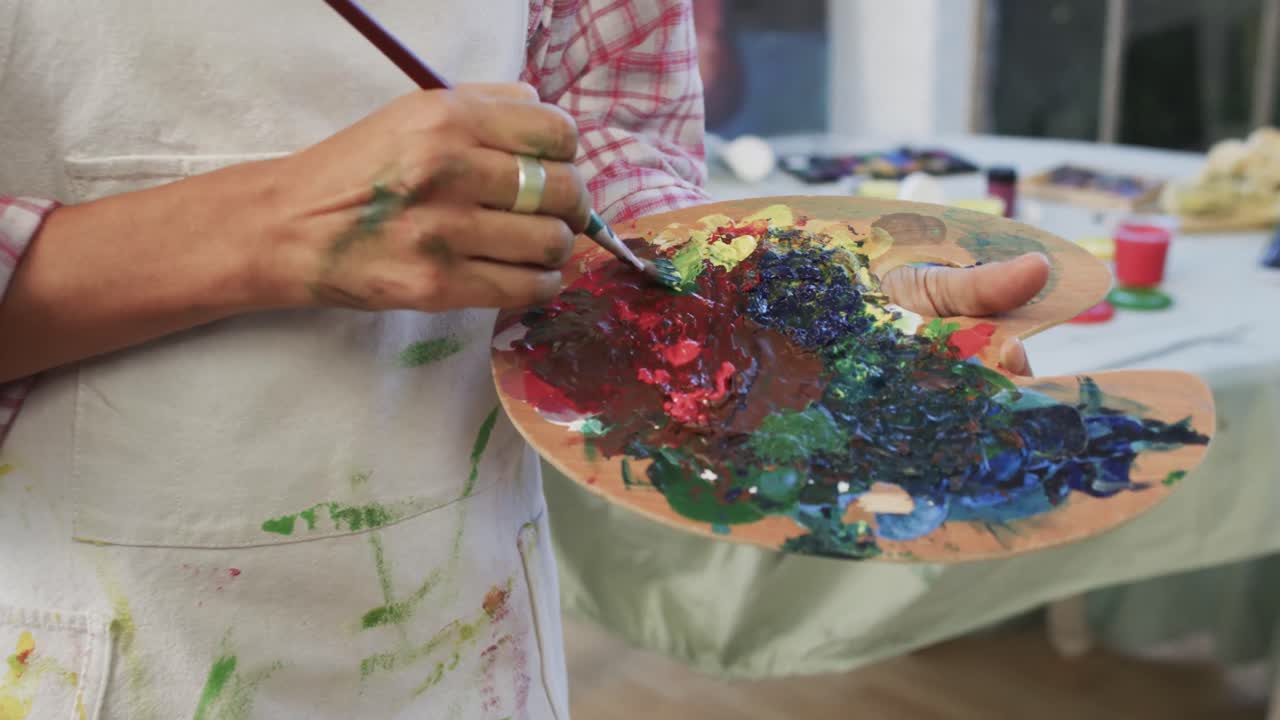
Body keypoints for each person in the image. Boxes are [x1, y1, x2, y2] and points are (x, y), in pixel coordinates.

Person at [0, 0, 1046, 716]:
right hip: (68, 648)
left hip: (469, 626)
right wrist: (266, 226)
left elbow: (615, 145)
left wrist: (770, 319)